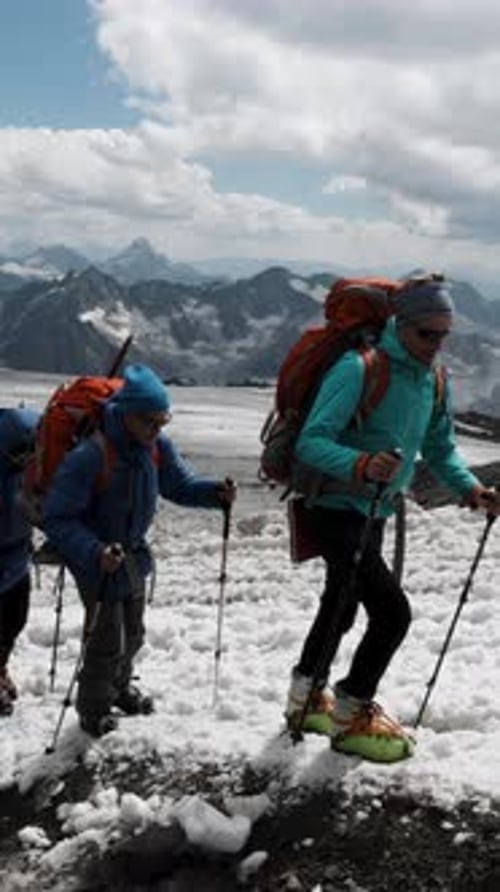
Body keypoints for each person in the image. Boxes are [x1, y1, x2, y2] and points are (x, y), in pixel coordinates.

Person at [284, 279, 500, 762]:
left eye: (444, 336)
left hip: (373, 510)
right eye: (428, 334)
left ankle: (305, 699)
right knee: (392, 613)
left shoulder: (432, 378)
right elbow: (311, 441)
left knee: (340, 604)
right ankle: (350, 714)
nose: (437, 345)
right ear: (400, 326)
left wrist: (471, 490)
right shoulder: (358, 368)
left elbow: (440, 448)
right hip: (336, 507)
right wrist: (360, 465)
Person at [43, 364, 236, 738]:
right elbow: (59, 518)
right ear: (127, 414)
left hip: (130, 554)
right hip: (97, 560)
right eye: (151, 422)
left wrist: (214, 494)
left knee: (133, 632)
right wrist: (94, 552)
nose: (158, 430)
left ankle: (118, 689)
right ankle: (93, 709)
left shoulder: (154, 447)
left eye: (163, 422)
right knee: (105, 638)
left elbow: (180, 484)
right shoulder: (91, 455)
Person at [0, 407, 41, 716]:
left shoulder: (28, 473)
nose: (28, 456)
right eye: (21, 451)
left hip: (16, 561)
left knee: (14, 621)